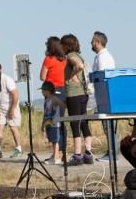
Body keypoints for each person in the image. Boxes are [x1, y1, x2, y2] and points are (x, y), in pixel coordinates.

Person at [61, 34, 93, 166]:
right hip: (83, 93)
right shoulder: (80, 55)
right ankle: (88, 154)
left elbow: (78, 66)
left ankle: (77, 155)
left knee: (75, 123)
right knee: (84, 122)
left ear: (66, 45)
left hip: (74, 94)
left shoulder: (70, 56)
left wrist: (70, 76)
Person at [91, 31, 117, 162]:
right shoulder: (101, 56)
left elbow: (100, 76)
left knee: (109, 126)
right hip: (104, 96)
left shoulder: (103, 57)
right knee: (108, 126)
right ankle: (111, 152)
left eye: (93, 41)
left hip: (105, 96)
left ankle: (112, 153)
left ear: (98, 42)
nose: (91, 43)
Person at [0, 62, 22, 160]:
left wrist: (12, 110)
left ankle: (18, 149)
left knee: (13, 127)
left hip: (11, 105)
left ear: (1, 69)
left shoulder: (7, 79)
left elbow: (15, 95)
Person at [39, 81, 66, 164]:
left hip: (55, 123)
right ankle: (54, 155)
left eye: (43, 90)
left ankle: (56, 157)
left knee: (55, 140)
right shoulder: (46, 100)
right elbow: (45, 113)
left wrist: (57, 105)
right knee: (52, 140)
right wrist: (43, 124)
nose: (42, 92)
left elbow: (63, 105)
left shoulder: (54, 98)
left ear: (48, 90)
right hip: (48, 123)